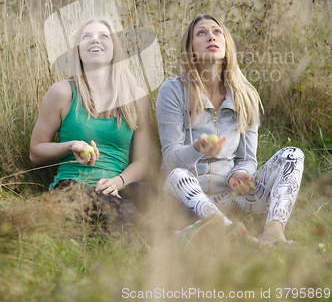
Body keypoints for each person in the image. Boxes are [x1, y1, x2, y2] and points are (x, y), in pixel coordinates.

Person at [30, 16, 219, 243]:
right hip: (71, 188)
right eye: (86, 36)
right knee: (122, 208)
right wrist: (70, 145)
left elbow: (141, 161)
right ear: (78, 51)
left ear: (114, 50)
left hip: (118, 185)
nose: (94, 40)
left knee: (152, 194)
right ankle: (178, 241)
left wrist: (119, 182)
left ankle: (210, 232)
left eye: (103, 36)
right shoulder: (62, 92)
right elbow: (35, 151)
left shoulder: (135, 97)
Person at [156, 14, 304, 245]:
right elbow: (169, 163)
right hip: (187, 198)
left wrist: (239, 174)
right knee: (177, 175)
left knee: (293, 154)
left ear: (226, 45)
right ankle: (238, 237)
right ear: (190, 48)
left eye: (217, 32)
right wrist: (196, 149)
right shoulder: (173, 90)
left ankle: (273, 231)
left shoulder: (245, 94)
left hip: (231, 199)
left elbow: (247, 159)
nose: (211, 37)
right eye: (201, 33)